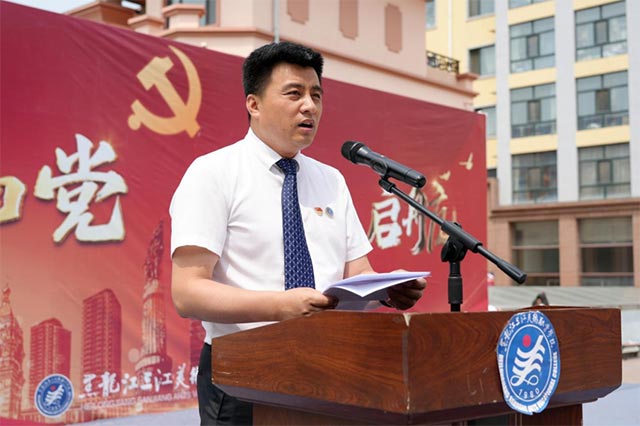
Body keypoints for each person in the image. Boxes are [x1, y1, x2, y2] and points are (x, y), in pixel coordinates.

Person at [169, 41, 426, 426]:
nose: (310, 106)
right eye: (294, 94)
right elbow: (188, 292)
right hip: (244, 369)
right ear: (254, 104)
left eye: (316, 95)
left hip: (329, 365)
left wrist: (386, 291)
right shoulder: (213, 173)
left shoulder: (331, 179)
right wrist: (280, 306)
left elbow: (357, 274)